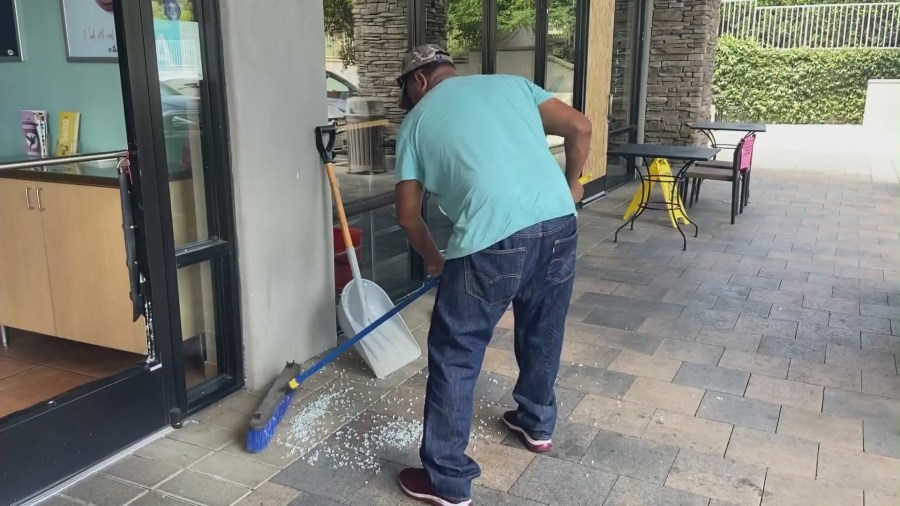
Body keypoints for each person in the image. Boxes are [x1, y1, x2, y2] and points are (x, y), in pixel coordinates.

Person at [393, 45, 592, 506]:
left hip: (490, 240)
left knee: (456, 352)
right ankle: (537, 424)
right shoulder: (511, 85)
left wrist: (434, 257)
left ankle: (446, 481)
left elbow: (407, 216)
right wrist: (573, 182)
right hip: (559, 223)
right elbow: (580, 126)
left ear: (419, 80)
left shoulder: (416, 122)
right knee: (544, 330)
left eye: (406, 89)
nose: (409, 98)